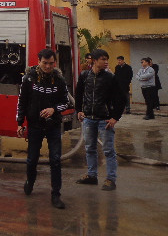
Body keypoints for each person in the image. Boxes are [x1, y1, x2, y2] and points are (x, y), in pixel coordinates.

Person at [17, 48, 70, 209]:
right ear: (39, 61)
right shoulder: (29, 79)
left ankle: (56, 194)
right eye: (45, 63)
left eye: (51, 63)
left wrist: (54, 109)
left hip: (53, 126)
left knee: (55, 160)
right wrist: (20, 122)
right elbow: (22, 101)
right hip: (35, 125)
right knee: (32, 159)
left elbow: (66, 102)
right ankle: (30, 181)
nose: (48, 66)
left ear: (55, 63)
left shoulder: (59, 80)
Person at [75, 48, 126, 191]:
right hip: (88, 119)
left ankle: (110, 179)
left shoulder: (110, 78)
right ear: (94, 60)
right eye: (103, 59)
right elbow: (78, 94)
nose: (106, 62)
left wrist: (115, 117)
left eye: (106, 59)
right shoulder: (85, 76)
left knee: (108, 150)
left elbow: (122, 99)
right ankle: (92, 175)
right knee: (90, 148)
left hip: (105, 120)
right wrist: (79, 110)